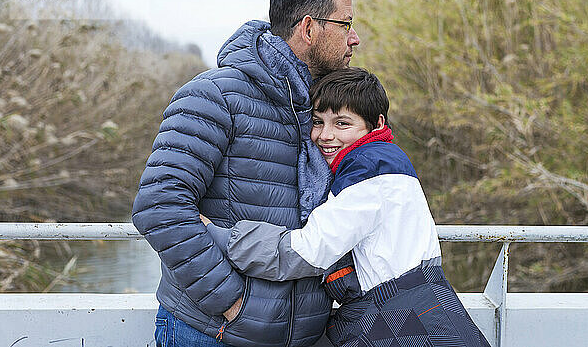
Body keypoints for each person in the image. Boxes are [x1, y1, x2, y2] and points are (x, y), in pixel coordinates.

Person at [131, 0, 360, 347]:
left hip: (302, 335)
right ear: (308, 28)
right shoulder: (215, 96)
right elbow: (159, 205)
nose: (354, 38)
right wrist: (233, 303)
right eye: (345, 24)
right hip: (213, 333)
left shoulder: (324, 111)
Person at [203, 68, 491, 347]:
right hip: (423, 311)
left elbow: (307, 251)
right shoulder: (387, 159)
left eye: (342, 123)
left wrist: (220, 236)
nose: (325, 135)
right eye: (318, 122)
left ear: (376, 124)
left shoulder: (369, 167)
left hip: (401, 320)